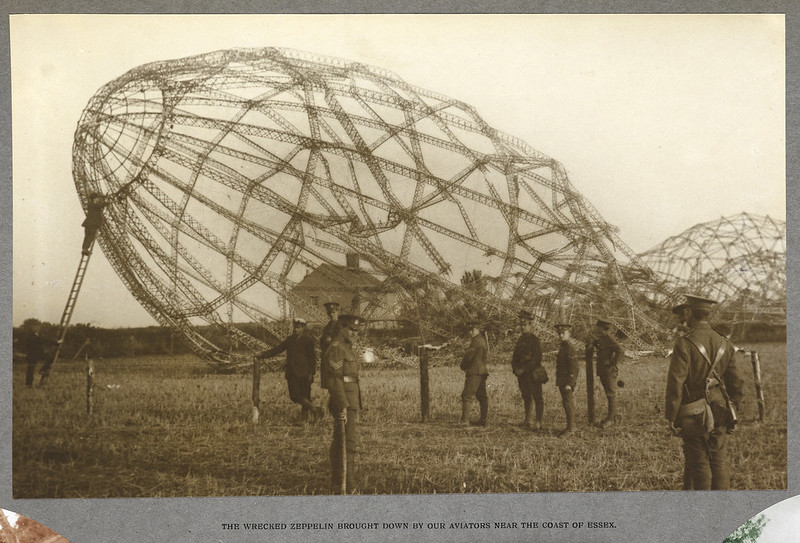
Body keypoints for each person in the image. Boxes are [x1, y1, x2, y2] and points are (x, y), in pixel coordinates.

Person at [665, 294, 744, 490]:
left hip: (693, 412)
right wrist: (734, 411)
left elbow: (675, 384)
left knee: (698, 462)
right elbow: (737, 383)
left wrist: (672, 417)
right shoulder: (725, 343)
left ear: (688, 312)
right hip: (720, 409)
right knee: (718, 462)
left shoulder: (685, 343)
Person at [323, 314, 364, 494]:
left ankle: (339, 481)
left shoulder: (347, 348)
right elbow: (334, 380)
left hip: (351, 399)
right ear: (342, 328)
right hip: (344, 401)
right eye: (351, 330)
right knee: (348, 442)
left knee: (342, 441)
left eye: (357, 331)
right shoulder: (337, 349)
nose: (355, 334)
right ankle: (348, 484)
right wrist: (342, 405)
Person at [256, 318, 323, 422]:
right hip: (291, 373)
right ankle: (315, 409)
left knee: (306, 395)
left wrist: (311, 373)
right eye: (295, 327)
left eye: (298, 328)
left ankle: (305, 420)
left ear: (303, 328)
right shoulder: (289, 340)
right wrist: (263, 355)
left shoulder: (308, 340)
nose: (295, 329)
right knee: (294, 396)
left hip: (304, 373)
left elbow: (312, 358)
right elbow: (277, 349)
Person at [585, 318, 623, 427]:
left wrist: (612, 363)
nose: (597, 330)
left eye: (599, 328)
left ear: (604, 329)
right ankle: (612, 417)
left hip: (609, 371)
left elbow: (620, 350)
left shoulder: (610, 339)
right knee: (608, 394)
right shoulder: (601, 339)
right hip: (603, 370)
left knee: (611, 394)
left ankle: (611, 419)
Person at [510, 310, 544, 429]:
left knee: (537, 398)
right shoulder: (520, 340)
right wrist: (515, 369)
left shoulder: (535, 340)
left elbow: (536, 359)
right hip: (522, 375)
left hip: (532, 374)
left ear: (531, 325)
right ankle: (527, 420)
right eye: (521, 325)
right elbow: (514, 357)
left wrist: (523, 369)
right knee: (526, 397)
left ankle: (538, 422)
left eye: (525, 325)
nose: (523, 327)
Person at [459, 320, 489, 427]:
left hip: (475, 372)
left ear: (477, 329)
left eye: (472, 330)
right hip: (482, 372)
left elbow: (468, 356)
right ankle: (483, 420)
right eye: (469, 330)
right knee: (482, 396)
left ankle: (464, 421)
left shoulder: (476, 341)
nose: (470, 332)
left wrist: (462, 366)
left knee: (467, 396)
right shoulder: (482, 340)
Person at [555, 323, 579, 436]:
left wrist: (570, 383)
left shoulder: (569, 348)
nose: (560, 335)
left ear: (569, 333)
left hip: (567, 381)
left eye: (563, 333)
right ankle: (570, 427)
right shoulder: (563, 346)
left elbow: (574, 368)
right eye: (559, 333)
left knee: (568, 403)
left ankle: (571, 428)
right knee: (566, 402)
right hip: (562, 380)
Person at [24, 323, 60, 387]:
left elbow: (44, 339)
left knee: (50, 358)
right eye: (36, 327)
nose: (38, 329)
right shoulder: (33, 336)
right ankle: (29, 383)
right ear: (33, 329)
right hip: (33, 355)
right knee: (30, 369)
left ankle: (41, 371)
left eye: (38, 327)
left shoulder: (36, 335)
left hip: (36, 354)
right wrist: (57, 342)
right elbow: (45, 340)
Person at [319, 301, 341, 390]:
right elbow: (322, 341)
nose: (331, 315)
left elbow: (342, 340)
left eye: (333, 312)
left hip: (337, 357)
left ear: (337, 312)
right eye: (329, 313)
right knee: (330, 384)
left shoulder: (341, 325)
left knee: (337, 383)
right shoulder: (327, 326)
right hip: (328, 357)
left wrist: (331, 341)